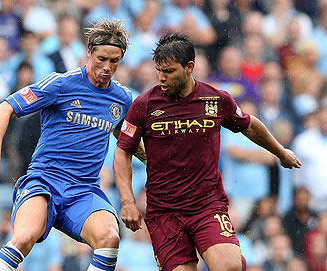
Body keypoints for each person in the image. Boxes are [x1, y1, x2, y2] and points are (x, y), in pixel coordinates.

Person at [113, 32, 302, 271]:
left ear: (189, 67)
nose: (161, 77)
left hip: (207, 206)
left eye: (169, 71)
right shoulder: (144, 105)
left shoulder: (214, 99)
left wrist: (281, 152)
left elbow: (249, 125)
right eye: (159, 70)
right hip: (164, 213)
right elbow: (122, 152)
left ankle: (233, 256)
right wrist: (128, 201)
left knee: (229, 267)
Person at [0, 19, 145, 271]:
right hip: (44, 181)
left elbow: (130, 142)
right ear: (89, 51)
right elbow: (3, 109)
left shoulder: (121, 99)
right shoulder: (61, 84)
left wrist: (161, 164)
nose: (107, 67)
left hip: (84, 190)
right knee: (23, 237)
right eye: (101, 59)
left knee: (110, 238)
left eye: (114, 61)